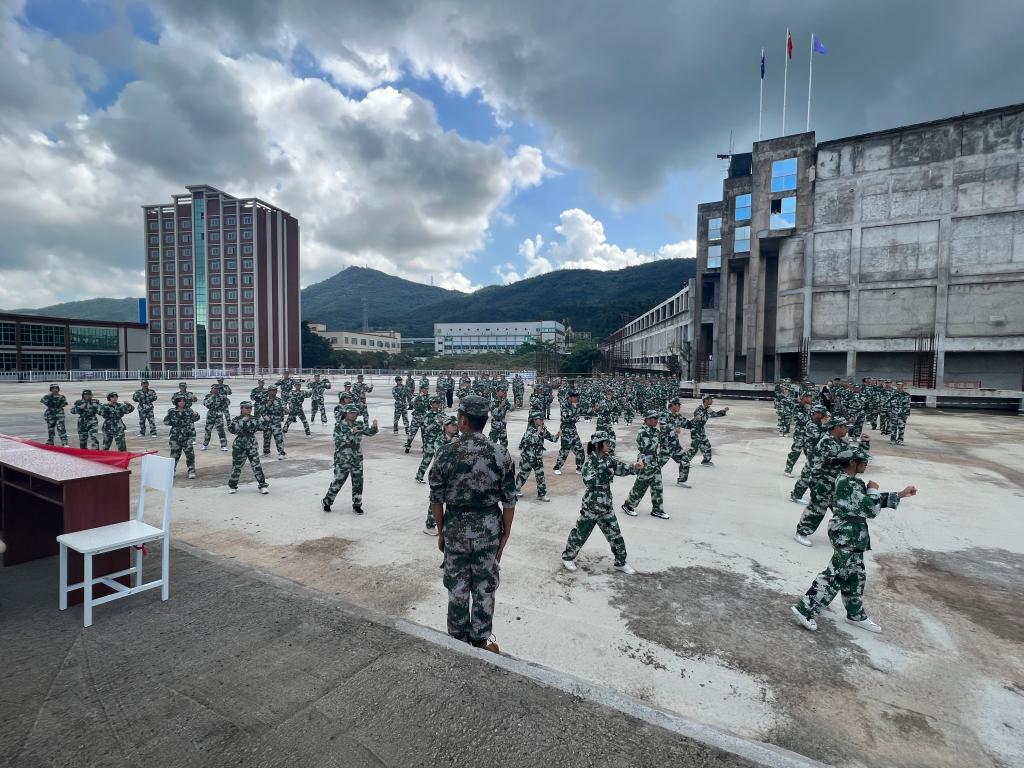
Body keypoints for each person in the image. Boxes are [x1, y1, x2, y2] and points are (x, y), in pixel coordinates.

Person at [791, 448, 917, 634]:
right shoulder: (847, 483)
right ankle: (805, 609)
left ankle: (855, 614)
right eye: (863, 461)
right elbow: (870, 509)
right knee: (835, 574)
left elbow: (864, 501)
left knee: (855, 576)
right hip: (847, 533)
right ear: (852, 462)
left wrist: (899, 495)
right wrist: (873, 489)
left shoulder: (850, 482)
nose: (866, 464)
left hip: (854, 534)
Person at [428, 394, 516, 652]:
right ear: (485, 421)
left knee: (456, 586)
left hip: (455, 527)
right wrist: (505, 535)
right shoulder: (501, 454)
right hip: (489, 529)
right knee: (484, 586)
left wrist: (441, 530)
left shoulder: (445, 453)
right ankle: (479, 640)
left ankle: (457, 640)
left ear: (463, 420)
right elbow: (509, 501)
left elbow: (436, 499)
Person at [561, 432, 641, 574]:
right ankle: (568, 557)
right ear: (598, 444)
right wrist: (607, 474)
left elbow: (620, 468)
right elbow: (589, 481)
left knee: (615, 535)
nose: (609, 444)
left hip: (606, 505)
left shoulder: (608, 459)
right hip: (591, 506)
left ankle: (620, 562)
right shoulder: (589, 463)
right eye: (606, 442)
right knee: (580, 533)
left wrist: (635, 467)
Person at [794, 416, 851, 546]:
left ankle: (841, 535)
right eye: (845, 427)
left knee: (842, 510)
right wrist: (815, 485)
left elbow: (851, 457)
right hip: (823, 483)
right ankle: (801, 532)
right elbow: (824, 463)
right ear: (837, 427)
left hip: (838, 483)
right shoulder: (825, 442)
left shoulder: (842, 442)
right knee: (817, 510)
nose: (847, 429)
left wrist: (864, 444)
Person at [322, 404, 378, 514]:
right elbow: (338, 439)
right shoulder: (339, 425)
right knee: (339, 480)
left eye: (355, 413)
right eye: (351, 413)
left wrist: (374, 427)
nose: (353, 415)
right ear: (346, 413)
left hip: (356, 457)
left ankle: (357, 504)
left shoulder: (359, 424)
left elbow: (370, 433)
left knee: (358, 481)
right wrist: (351, 431)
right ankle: (327, 501)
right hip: (343, 457)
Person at [621, 411, 668, 519]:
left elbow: (665, 442)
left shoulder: (654, 431)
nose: (656, 421)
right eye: (654, 419)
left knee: (657, 486)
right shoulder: (643, 431)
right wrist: (659, 436)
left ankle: (657, 509)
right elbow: (648, 447)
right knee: (641, 485)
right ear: (647, 420)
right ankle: (628, 505)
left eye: (656, 419)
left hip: (654, 460)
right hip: (645, 460)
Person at [423, 415, 458, 535]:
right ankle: (429, 525)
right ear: (445, 427)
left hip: (451, 474)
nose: (455, 427)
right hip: (438, 474)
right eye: (452, 425)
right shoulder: (440, 439)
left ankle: (447, 525)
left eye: (456, 425)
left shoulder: (457, 438)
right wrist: (451, 444)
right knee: (436, 499)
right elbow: (440, 455)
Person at [227, 401, 269, 495]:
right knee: (237, 466)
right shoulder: (237, 419)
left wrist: (266, 421)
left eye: (250, 408)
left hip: (252, 445)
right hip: (239, 445)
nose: (249, 410)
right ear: (241, 409)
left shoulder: (254, 419)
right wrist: (242, 421)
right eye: (246, 408)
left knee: (257, 466)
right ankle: (232, 486)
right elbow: (232, 430)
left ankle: (262, 485)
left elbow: (263, 427)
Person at [680, 394, 728, 474]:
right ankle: (684, 461)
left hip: (701, 429)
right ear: (705, 400)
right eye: (710, 399)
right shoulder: (699, 409)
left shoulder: (707, 408)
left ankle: (706, 461)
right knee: (694, 447)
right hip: (695, 429)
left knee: (706, 445)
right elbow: (700, 418)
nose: (712, 401)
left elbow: (714, 414)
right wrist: (702, 417)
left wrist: (723, 411)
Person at [515, 415, 558, 502]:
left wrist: (558, 434)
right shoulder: (529, 430)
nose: (542, 420)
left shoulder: (543, 429)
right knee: (523, 475)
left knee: (540, 477)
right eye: (540, 419)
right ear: (535, 420)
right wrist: (538, 431)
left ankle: (541, 495)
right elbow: (531, 440)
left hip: (538, 458)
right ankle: (515, 490)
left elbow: (553, 439)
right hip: (528, 458)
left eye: (542, 419)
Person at [164, 398, 200, 479]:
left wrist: (196, 414)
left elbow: (196, 419)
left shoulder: (189, 411)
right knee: (174, 455)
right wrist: (174, 419)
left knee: (190, 455)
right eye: (180, 401)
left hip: (187, 436)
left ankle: (191, 471)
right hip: (175, 436)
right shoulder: (172, 411)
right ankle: (171, 471)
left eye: (183, 401)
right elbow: (166, 422)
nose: (182, 402)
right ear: (176, 402)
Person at [553, 391, 584, 475]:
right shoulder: (564, 405)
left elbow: (579, 414)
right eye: (574, 397)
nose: (576, 398)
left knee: (580, 450)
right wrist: (576, 417)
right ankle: (557, 467)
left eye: (576, 397)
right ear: (570, 397)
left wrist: (575, 416)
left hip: (573, 430)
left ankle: (579, 468)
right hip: (566, 430)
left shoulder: (576, 405)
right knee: (565, 451)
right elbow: (566, 417)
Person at [414, 397, 445, 483]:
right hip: (430, 440)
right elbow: (426, 429)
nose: (438, 404)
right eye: (436, 402)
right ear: (431, 404)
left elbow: (447, 423)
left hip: (440, 440)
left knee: (440, 459)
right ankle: (419, 476)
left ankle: (438, 478)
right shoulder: (427, 414)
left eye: (439, 402)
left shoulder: (441, 413)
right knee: (427, 459)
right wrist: (437, 422)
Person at [259, 385, 287, 459]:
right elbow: (260, 410)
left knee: (278, 438)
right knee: (266, 437)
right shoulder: (264, 400)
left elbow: (286, 410)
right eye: (271, 390)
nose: (273, 392)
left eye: (274, 390)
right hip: (267, 421)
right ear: (268, 391)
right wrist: (266, 407)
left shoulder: (280, 400)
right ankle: (266, 452)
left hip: (276, 422)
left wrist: (285, 410)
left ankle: (281, 453)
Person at [201, 384, 230, 452]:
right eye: (215, 389)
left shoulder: (221, 397)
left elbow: (227, 404)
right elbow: (206, 404)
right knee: (208, 430)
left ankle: (223, 445)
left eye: (217, 389)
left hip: (219, 415)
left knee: (221, 431)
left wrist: (226, 399)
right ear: (212, 389)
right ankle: (205, 445)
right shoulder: (208, 396)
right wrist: (212, 396)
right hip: (210, 415)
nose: (216, 390)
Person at [404, 384, 431, 453]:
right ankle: (407, 446)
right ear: (421, 389)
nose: (426, 390)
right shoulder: (416, 396)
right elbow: (412, 403)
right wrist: (419, 396)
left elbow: (430, 406)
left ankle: (424, 448)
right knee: (412, 433)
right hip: (416, 418)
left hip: (424, 418)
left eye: (426, 389)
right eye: (424, 389)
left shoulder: (428, 397)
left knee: (425, 434)